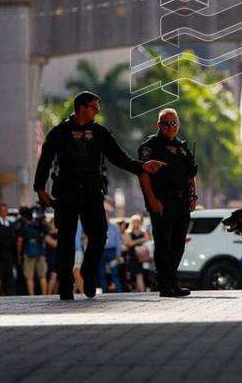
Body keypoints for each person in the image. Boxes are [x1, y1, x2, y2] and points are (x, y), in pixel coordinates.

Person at [33, 90, 163, 301]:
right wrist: (39, 188)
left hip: (92, 192)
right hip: (66, 193)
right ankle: (66, 285)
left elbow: (119, 158)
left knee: (99, 236)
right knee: (66, 239)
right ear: (82, 108)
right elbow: (45, 160)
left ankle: (88, 273)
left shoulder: (101, 133)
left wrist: (142, 167)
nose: (97, 110)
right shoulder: (59, 132)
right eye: (94, 106)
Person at [138, 108, 198, 297]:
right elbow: (144, 175)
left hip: (182, 202)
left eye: (175, 123)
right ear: (159, 125)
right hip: (162, 202)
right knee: (163, 244)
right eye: (167, 123)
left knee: (178, 243)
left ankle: (173, 281)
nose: (171, 127)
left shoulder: (182, 147)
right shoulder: (151, 146)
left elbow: (190, 175)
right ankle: (164, 285)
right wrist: (152, 199)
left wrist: (193, 196)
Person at [17, 207, 48, 295]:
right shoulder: (39, 225)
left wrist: (19, 256)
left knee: (29, 277)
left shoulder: (23, 227)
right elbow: (46, 235)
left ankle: (31, 295)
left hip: (28, 254)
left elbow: (19, 242)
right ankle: (44, 294)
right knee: (42, 276)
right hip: (40, 253)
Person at [122, 215, 151, 292]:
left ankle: (140, 290)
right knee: (138, 274)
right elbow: (130, 243)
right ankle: (141, 290)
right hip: (133, 255)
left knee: (140, 274)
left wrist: (137, 241)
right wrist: (141, 240)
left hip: (143, 255)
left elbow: (148, 239)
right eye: (134, 222)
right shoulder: (128, 232)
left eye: (138, 221)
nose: (136, 223)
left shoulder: (143, 231)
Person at [98, 210, 122, 292]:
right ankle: (104, 292)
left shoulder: (114, 227)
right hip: (101, 251)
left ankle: (119, 292)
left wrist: (118, 254)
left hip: (112, 251)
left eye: (106, 215)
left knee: (115, 273)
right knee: (101, 273)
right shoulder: (97, 227)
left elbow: (118, 241)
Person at [44, 219, 59, 295]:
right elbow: (53, 243)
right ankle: (49, 293)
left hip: (58, 256)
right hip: (52, 257)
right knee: (53, 276)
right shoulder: (48, 234)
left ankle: (55, 293)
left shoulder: (57, 233)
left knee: (57, 278)